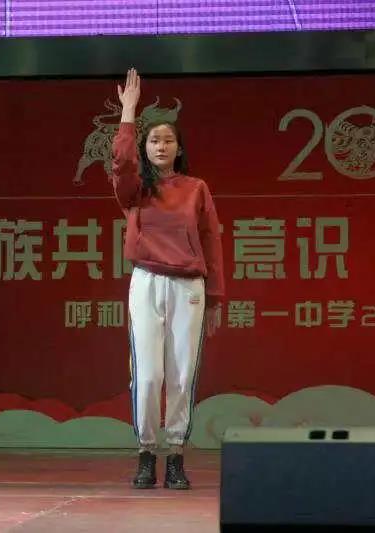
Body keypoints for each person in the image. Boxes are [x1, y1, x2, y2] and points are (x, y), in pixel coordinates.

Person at [112, 69, 224, 489]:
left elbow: (212, 242)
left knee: (181, 374)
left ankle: (175, 453)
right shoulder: (134, 189)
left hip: (189, 287)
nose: (161, 146)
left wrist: (216, 297)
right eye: (154, 140)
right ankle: (146, 452)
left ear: (179, 148)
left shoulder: (196, 188)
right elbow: (121, 163)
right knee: (147, 375)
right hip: (146, 281)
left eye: (168, 140)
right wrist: (128, 112)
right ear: (145, 148)